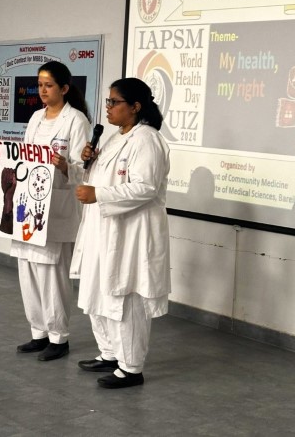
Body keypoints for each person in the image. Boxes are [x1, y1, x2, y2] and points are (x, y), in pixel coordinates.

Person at [0, 61, 91, 361]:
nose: (43, 91)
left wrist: (65, 166)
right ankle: (39, 332)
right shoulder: (36, 117)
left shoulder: (76, 121)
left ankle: (59, 337)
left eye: (49, 85)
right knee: (28, 272)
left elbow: (85, 170)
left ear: (64, 88)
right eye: (40, 85)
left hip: (57, 209)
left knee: (52, 276)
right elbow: (23, 159)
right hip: (28, 206)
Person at [70, 77, 171, 388]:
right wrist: (87, 163)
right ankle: (110, 353)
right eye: (108, 101)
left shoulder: (147, 140)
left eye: (114, 102)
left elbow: (146, 187)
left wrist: (98, 194)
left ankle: (131, 367)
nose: (108, 107)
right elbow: (103, 177)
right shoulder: (115, 138)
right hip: (102, 230)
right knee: (98, 291)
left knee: (124, 298)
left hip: (130, 233)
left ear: (135, 106)